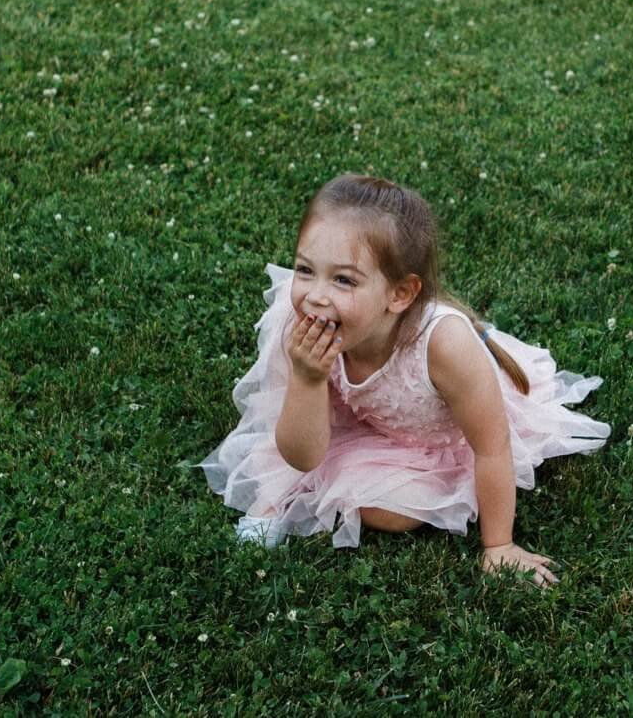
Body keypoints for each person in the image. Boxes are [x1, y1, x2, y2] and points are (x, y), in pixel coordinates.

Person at [201, 175, 609, 584]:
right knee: (305, 461)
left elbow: (492, 444)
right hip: (361, 420)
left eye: (343, 279)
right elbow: (300, 456)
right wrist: (308, 379)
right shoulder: (303, 324)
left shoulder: (444, 346)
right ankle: (283, 499)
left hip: (448, 436)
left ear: (399, 294)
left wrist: (498, 545)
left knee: (395, 513)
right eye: (306, 269)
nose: (315, 296)